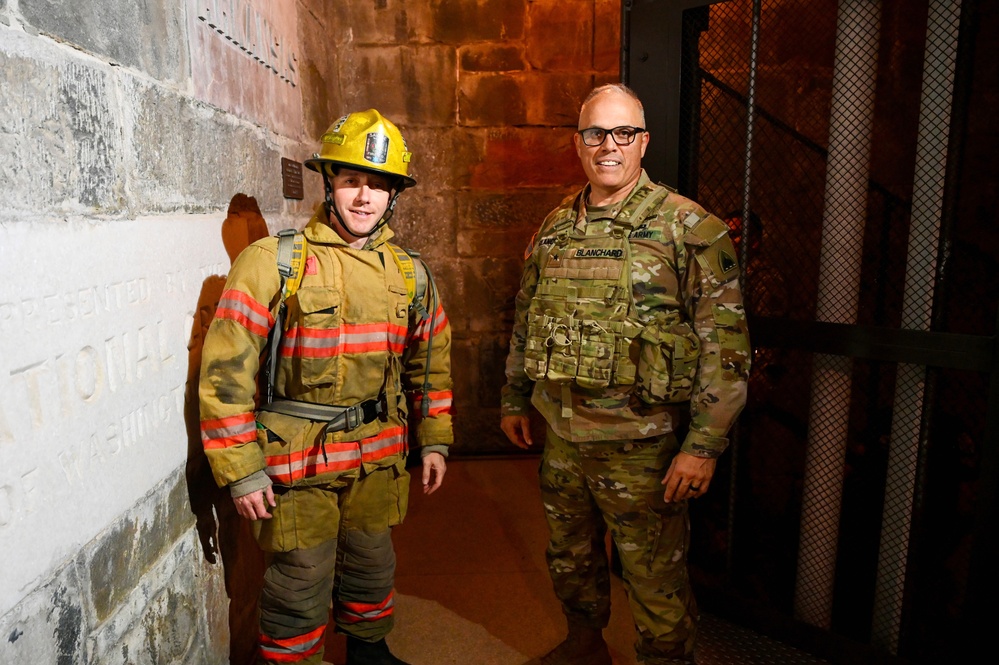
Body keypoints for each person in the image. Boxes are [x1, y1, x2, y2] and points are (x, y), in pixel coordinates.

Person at [500, 84, 750, 665]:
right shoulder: (556, 224)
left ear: (643, 142)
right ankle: (585, 644)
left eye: (623, 134)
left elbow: (727, 347)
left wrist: (704, 445)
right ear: (578, 142)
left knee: (653, 576)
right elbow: (527, 313)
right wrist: (515, 397)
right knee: (570, 557)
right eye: (595, 133)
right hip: (562, 433)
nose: (608, 146)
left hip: (643, 443)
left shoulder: (691, 229)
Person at [199, 109, 453, 665]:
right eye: (352, 180)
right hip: (298, 463)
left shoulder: (410, 273)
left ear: (395, 195)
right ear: (329, 183)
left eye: (380, 185)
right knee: (299, 581)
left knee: (371, 564)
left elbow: (431, 362)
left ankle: (369, 653)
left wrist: (433, 437)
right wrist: (240, 469)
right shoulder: (274, 262)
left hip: (377, 458)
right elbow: (225, 372)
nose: (365, 197)